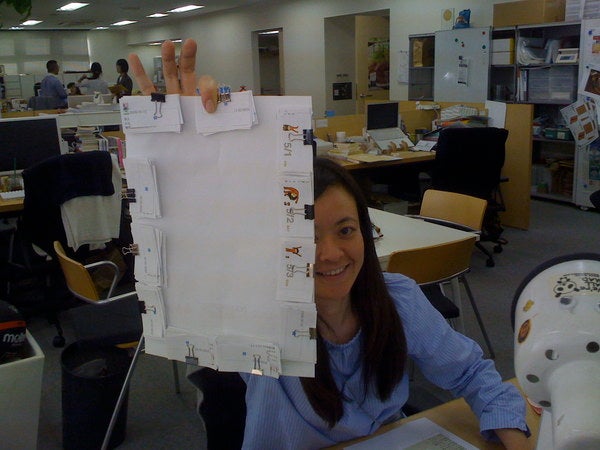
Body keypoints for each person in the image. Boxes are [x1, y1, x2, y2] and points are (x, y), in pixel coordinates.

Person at [129, 39, 531, 450]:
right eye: (306, 237)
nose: (330, 254)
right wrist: (186, 153)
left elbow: (473, 374)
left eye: (345, 230)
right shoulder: (257, 314)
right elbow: (193, 254)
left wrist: (513, 435)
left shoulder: (397, 300)